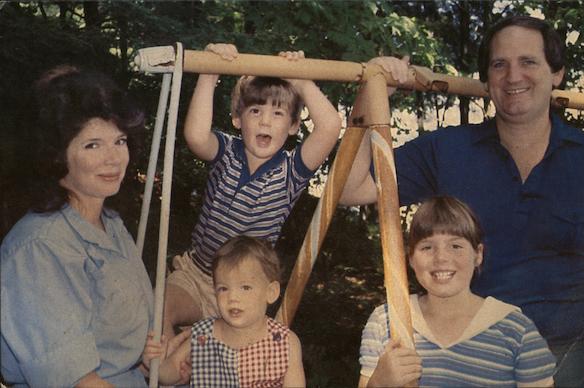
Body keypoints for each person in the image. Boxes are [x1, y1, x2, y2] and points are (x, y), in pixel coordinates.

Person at [341, 15, 584, 387]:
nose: (513, 77)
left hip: (576, 358)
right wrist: (372, 92)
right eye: (499, 64)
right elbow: (351, 189)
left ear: (556, 74)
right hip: (470, 357)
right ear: (487, 80)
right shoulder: (449, 150)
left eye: (528, 62)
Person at [163, 43, 342, 339]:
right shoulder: (226, 152)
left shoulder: (291, 171)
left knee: (219, 362)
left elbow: (330, 127)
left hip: (245, 292)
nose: (265, 120)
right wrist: (210, 74)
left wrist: (300, 80)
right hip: (196, 276)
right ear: (237, 119)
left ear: (295, 125)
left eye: (278, 113)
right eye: (255, 110)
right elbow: (195, 136)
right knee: (159, 311)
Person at [0, 65, 154, 386]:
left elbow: (125, 348)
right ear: (57, 155)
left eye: (120, 140)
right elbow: (77, 381)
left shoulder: (110, 223)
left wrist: (157, 364)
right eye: (92, 145)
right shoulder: (39, 248)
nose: (114, 158)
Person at [359, 196, 556, 387]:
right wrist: (378, 383)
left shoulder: (516, 330)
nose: (441, 258)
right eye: (427, 247)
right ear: (411, 258)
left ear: (478, 254)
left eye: (455, 246)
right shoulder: (386, 321)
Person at [145, 235, 305, 387]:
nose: (232, 297)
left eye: (245, 287)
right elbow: (171, 372)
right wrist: (155, 365)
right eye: (223, 288)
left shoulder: (284, 342)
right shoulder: (203, 333)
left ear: (271, 292)